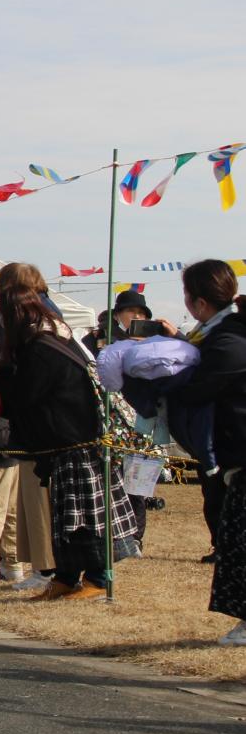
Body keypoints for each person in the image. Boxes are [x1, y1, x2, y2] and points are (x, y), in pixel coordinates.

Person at [0, 263, 134, 601]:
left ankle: (98, 579)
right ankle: (67, 576)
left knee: (85, 518)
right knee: (65, 519)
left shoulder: (42, 343)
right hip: (61, 441)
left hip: (77, 440)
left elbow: (27, 394)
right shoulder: (51, 334)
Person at [159, 260, 246, 644]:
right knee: (233, 539)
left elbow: (197, 389)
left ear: (197, 302)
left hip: (240, 447)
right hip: (233, 453)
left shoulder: (229, 339)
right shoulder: (217, 333)